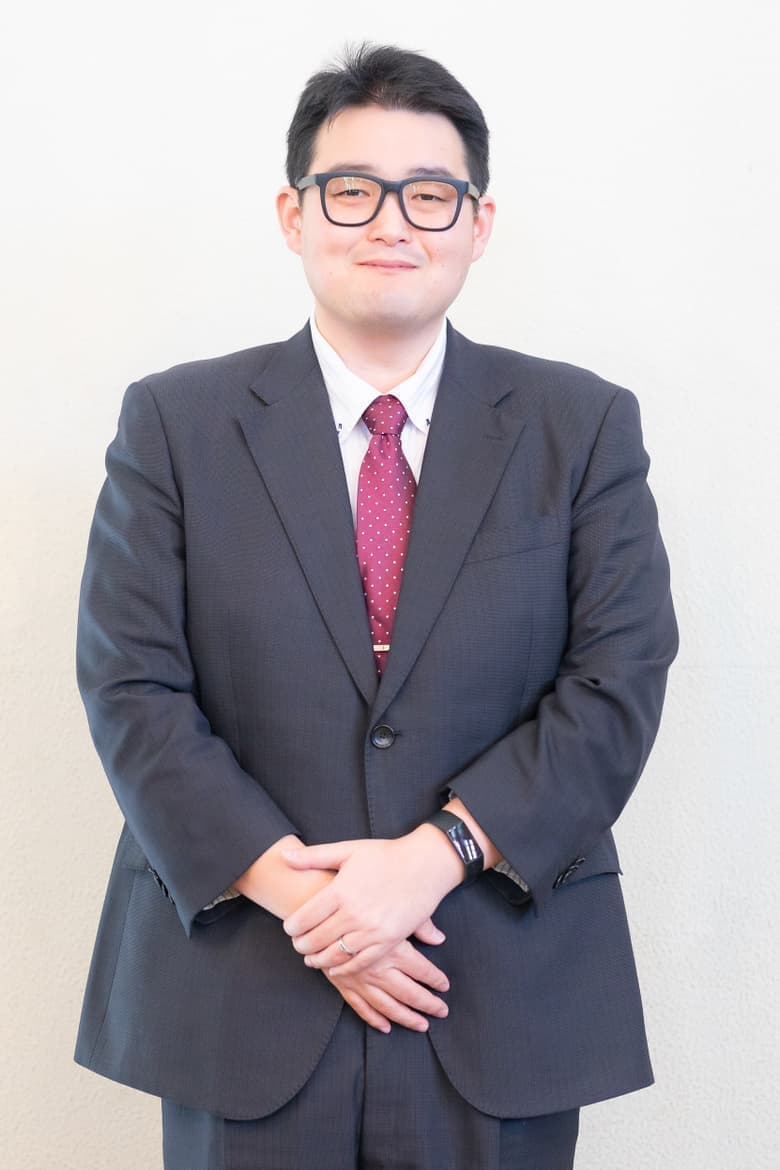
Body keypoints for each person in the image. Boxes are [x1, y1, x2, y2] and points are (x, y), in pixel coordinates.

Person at [75, 43, 678, 1170]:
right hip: (247, 981)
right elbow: (131, 687)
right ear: (294, 213)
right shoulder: (176, 424)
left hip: (498, 976)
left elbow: (618, 682)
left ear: (477, 224)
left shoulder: (582, 426)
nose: (391, 222)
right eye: (352, 189)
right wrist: (316, 906)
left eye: (430, 195)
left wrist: (433, 858)